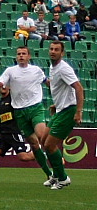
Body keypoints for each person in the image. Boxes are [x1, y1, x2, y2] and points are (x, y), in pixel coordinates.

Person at [0, 47, 53, 183]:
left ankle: (57, 167)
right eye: (19, 54)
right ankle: (49, 174)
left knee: (42, 137)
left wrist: (57, 94)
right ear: (16, 57)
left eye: (24, 54)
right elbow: (0, 86)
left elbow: (47, 82)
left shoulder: (36, 70)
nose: (21, 56)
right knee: (33, 144)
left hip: (35, 108)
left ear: (29, 56)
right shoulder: (10, 71)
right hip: (20, 111)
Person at [43, 41, 84, 189]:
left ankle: (63, 178)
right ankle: (56, 173)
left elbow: (79, 88)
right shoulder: (52, 67)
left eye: (57, 50)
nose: (53, 51)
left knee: (49, 144)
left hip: (69, 110)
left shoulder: (64, 69)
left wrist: (79, 112)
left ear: (62, 53)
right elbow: (58, 87)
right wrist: (57, 103)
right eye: (51, 49)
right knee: (43, 139)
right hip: (60, 109)